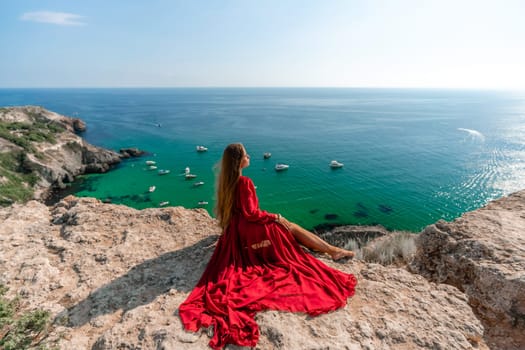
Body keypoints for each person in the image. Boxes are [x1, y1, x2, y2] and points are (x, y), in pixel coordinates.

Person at [179, 143, 357, 350]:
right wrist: (275, 216)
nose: (250, 157)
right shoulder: (244, 182)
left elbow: (239, 212)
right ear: (240, 161)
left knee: (290, 227)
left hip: (236, 231)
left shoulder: (226, 181)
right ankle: (332, 250)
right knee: (289, 226)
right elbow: (252, 214)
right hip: (250, 228)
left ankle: (330, 249)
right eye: (246, 155)